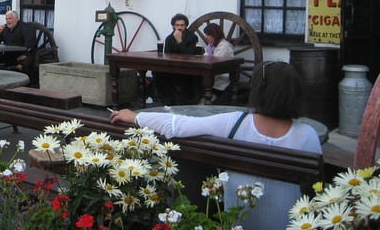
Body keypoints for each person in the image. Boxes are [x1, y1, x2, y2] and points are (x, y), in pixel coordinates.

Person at [111, 61, 322, 229]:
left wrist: (136, 117)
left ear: (257, 90)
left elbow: (178, 125)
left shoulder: (235, 123)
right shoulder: (308, 136)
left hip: (237, 223)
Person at [153, 13, 202, 105]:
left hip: (188, 69)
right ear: (173, 26)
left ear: (186, 26)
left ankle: (185, 100)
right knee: (157, 72)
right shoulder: (169, 38)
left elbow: (189, 55)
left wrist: (180, 41)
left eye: (182, 25)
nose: (179, 28)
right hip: (173, 68)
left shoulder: (192, 37)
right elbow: (167, 55)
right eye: (177, 25)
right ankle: (168, 100)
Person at [0, 10, 37, 84]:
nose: (8, 21)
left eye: (10, 19)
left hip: (24, 54)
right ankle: (0, 83)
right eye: (6, 19)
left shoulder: (25, 27)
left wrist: (25, 54)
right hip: (9, 54)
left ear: (16, 19)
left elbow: (30, 44)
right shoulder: (5, 28)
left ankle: (24, 84)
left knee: (24, 64)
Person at [203, 23, 235, 93]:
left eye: (208, 35)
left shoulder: (224, 46)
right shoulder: (211, 45)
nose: (206, 37)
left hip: (222, 76)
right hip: (214, 74)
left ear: (214, 35)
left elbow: (215, 61)